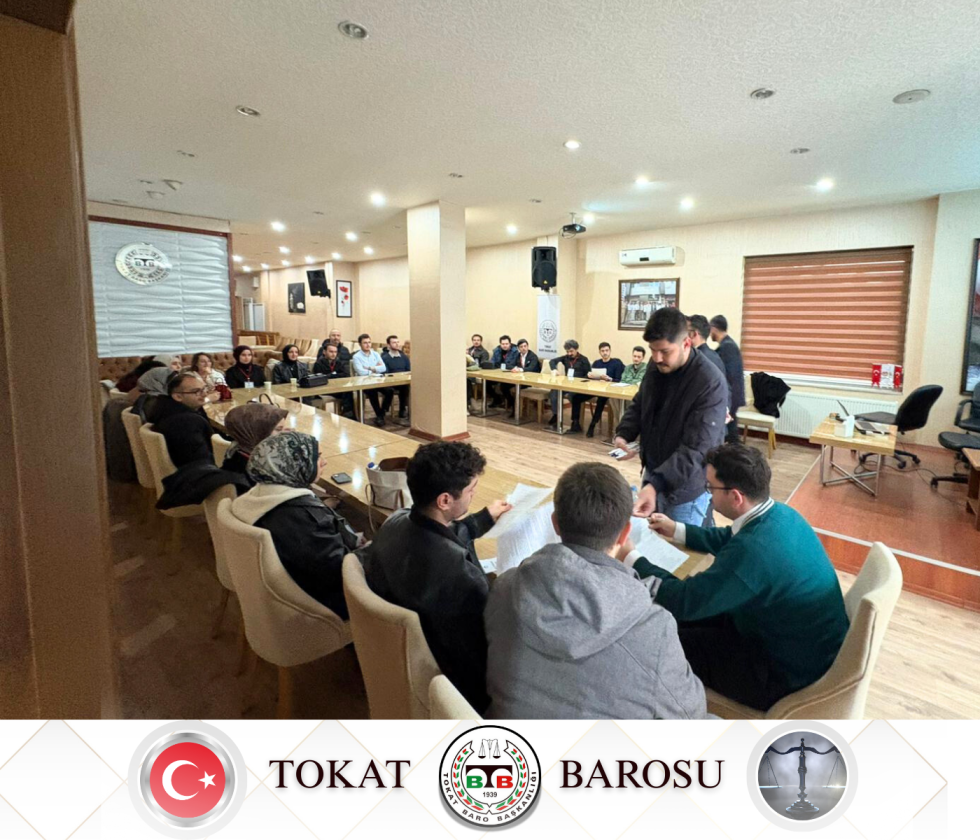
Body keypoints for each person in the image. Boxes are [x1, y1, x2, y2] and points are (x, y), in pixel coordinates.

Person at [484, 462, 706, 720]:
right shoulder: (655, 628)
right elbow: (691, 714)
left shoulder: (504, 588)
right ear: (624, 534)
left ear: (555, 524)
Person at [635, 444, 849, 711]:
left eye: (710, 488)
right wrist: (676, 529)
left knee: (658, 641)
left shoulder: (753, 551)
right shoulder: (781, 514)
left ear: (735, 496)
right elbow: (730, 537)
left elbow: (685, 601)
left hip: (782, 673)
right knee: (675, 622)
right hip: (801, 644)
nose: (708, 494)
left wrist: (632, 558)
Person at [357, 442, 512, 711]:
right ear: (444, 500)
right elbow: (484, 647)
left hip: (396, 650)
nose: (474, 495)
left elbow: (438, 534)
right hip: (451, 681)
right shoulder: (460, 575)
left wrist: (485, 517)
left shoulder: (395, 521)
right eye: (471, 490)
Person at [613, 308, 727, 527]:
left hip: (686, 490)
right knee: (654, 539)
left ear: (686, 343)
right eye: (652, 350)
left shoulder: (709, 382)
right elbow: (641, 402)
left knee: (680, 547)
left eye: (665, 351)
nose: (657, 358)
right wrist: (624, 434)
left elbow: (696, 449)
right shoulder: (656, 366)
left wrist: (655, 484)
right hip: (654, 475)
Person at [231, 432, 360, 618]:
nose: (324, 462)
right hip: (320, 603)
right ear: (295, 464)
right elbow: (339, 570)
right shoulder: (302, 518)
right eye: (317, 457)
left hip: (283, 588)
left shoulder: (254, 497)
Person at [152, 372, 214, 467]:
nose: (205, 394)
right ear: (178, 397)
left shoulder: (165, 408)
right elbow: (200, 461)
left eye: (204, 388)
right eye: (196, 391)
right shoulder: (185, 422)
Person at [222, 402, 288, 477]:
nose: (284, 434)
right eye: (279, 429)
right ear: (258, 432)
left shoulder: (238, 452)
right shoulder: (257, 470)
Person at [709, 315, 745, 444]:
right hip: (731, 396)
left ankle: (737, 453)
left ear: (714, 328)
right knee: (730, 431)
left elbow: (729, 375)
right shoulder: (727, 345)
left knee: (731, 432)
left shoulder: (727, 347)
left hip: (730, 396)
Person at [548, 339, 591, 433]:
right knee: (554, 392)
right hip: (567, 384)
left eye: (571, 351)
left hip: (579, 385)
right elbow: (552, 361)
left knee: (574, 396)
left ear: (576, 349)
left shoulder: (584, 360)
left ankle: (575, 422)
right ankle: (556, 415)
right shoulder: (566, 358)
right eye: (567, 351)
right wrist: (554, 369)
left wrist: (582, 380)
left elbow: (589, 375)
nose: (569, 353)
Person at [586, 342, 625, 438]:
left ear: (610, 351)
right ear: (599, 352)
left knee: (601, 399)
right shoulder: (596, 363)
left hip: (611, 390)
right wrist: (590, 376)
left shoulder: (616, 363)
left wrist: (609, 379)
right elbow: (592, 378)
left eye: (607, 350)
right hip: (597, 388)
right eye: (602, 351)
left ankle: (592, 424)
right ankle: (576, 423)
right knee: (577, 396)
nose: (605, 353)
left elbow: (619, 380)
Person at [351, 333, 389, 426]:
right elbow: (361, 372)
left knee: (390, 391)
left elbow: (383, 368)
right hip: (364, 382)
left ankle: (381, 414)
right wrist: (376, 369)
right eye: (365, 343)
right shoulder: (356, 357)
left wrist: (369, 368)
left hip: (377, 380)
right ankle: (379, 415)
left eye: (369, 342)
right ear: (360, 344)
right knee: (373, 392)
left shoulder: (375, 354)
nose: (368, 345)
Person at [314, 342, 355, 417]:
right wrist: (335, 374)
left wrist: (331, 375)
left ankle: (348, 413)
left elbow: (346, 374)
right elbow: (320, 378)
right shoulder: (318, 364)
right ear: (324, 352)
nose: (333, 354)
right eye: (331, 352)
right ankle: (348, 414)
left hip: (338, 388)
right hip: (325, 389)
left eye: (335, 352)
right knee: (347, 393)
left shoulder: (339, 362)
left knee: (348, 391)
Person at [381, 334, 411, 424]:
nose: (397, 344)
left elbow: (408, 370)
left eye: (398, 342)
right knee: (389, 390)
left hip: (402, 381)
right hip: (390, 382)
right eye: (394, 342)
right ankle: (383, 411)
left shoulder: (404, 357)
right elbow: (385, 372)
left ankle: (402, 409)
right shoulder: (385, 358)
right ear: (388, 345)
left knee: (406, 387)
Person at [489, 335, 518, 407]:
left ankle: (512, 404)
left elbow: (513, 364)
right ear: (500, 344)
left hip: (510, 375)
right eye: (503, 344)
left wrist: (504, 366)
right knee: (487, 382)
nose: (505, 346)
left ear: (510, 344)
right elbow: (492, 362)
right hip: (498, 374)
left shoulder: (515, 351)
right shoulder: (497, 351)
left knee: (504, 386)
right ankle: (497, 399)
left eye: (506, 344)